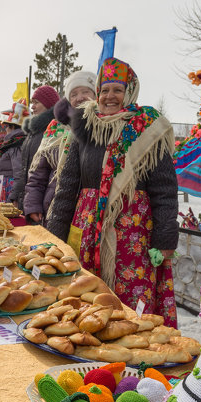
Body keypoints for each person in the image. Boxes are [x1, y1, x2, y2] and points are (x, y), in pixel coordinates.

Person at [46, 58, 179, 325]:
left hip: (133, 236)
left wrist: (165, 240)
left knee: (129, 304)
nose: (110, 96)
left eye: (117, 90)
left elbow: (165, 189)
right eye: (105, 90)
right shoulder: (83, 125)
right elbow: (67, 186)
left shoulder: (149, 128)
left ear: (129, 91)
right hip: (86, 227)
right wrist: (55, 236)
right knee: (84, 297)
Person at [24, 71, 95, 223]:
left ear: (96, 95)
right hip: (52, 210)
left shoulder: (104, 127)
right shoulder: (56, 128)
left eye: (85, 91)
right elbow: (37, 174)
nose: (80, 97)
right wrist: (33, 205)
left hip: (89, 211)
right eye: (74, 94)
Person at [12, 84, 60, 209]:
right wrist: (16, 194)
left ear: (48, 104)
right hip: (28, 199)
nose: (32, 107)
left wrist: (36, 203)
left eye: (36, 102)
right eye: (32, 102)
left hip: (43, 202)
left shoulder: (56, 130)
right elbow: (24, 169)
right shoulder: (32, 132)